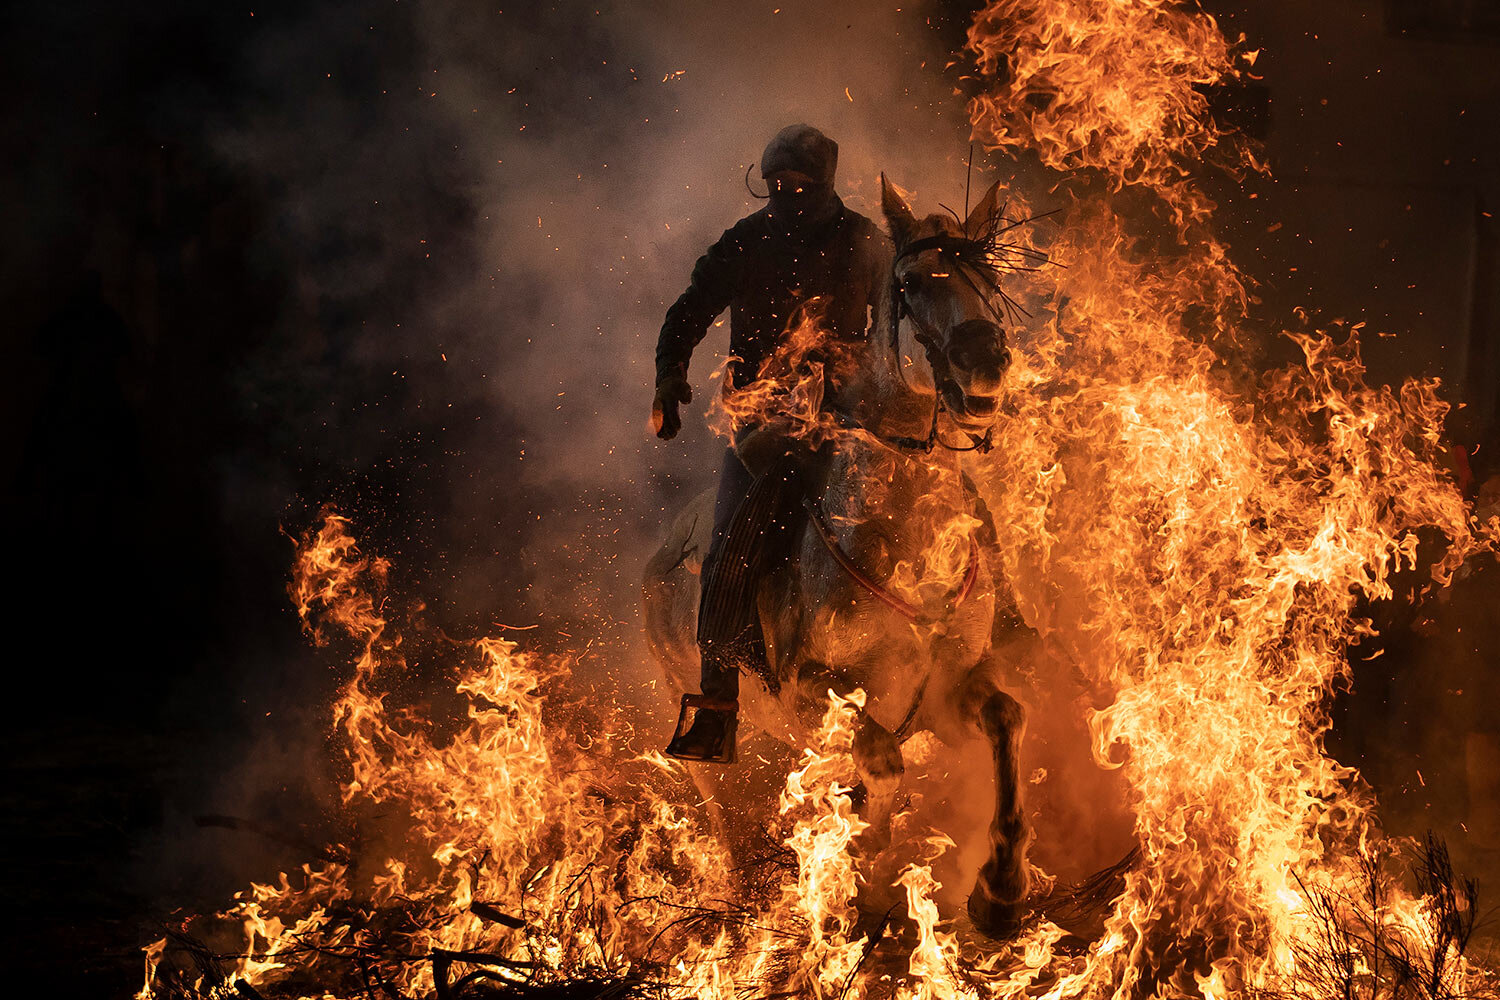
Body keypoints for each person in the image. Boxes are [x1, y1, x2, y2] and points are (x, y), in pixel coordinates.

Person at [652, 124, 890, 762]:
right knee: (728, 549)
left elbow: (907, 315)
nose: (785, 195)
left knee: (957, 500)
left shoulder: (867, 243)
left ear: (825, 187)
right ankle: (717, 705)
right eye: (776, 184)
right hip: (762, 429)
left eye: (798, 186)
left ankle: (1007, 629)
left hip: (854, 423)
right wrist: (668, 374)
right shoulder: (746, 242)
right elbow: (689, 310)